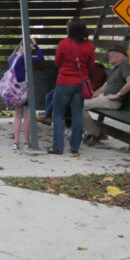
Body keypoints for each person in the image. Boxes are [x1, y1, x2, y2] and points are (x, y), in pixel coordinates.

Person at [48, 18, 94, 157]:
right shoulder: (89, 46)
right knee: (77, 115)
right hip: (81, 83)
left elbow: (57, 62)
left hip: (64, 82)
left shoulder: (63, 44)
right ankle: (74, 148)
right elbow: (91, 66)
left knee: (59, 115)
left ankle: (58, 147)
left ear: (70, 30)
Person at [82, 46, 130, 146]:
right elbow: (103, 87)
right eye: (110, 54)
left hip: (112, 101)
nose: (110, 56)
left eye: (113, 54)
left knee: (79, 106)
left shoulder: (125, 66)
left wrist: (118, 95)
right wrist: (92, 95)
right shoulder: (116, 69)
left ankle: (95, 132)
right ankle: (92, 131)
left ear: (122, 57)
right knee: (77, 102)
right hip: (103, 98)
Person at [9, 37, 44, 151]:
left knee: (18, 116)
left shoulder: (12, 58)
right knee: (27, 116)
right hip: (25, 90)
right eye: (28, 48)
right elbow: (41, 58)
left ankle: (16, 142)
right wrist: (36, 45)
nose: (29, 51)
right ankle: (27, 142)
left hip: (15, 90)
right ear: (21, 47)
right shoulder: (24, 58)